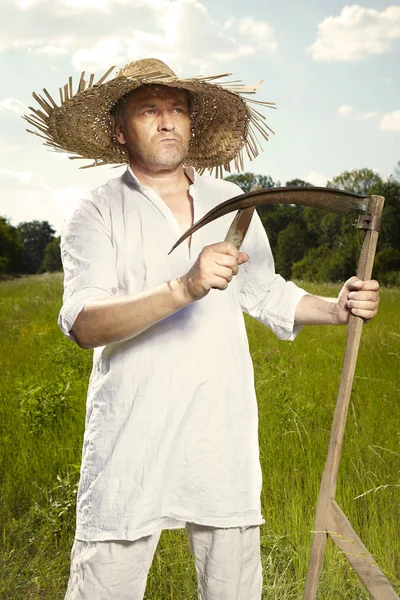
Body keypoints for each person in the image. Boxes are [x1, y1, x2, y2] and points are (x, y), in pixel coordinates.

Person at [26, 58, 379, 600]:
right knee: (106, 584)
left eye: (178, 110)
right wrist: (183, 288)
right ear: (122, 131)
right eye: (149, 111)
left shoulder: (229, 202)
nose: (167, 122)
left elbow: (266, 291)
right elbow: (85, 324)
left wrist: (336, 308)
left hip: (220, 430)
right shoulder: (98, 212)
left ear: (191, 124)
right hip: (134, 434)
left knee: (232, 585)